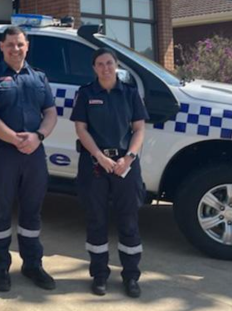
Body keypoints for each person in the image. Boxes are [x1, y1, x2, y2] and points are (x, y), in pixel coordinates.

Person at [0, 26, 58, 293]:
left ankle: (32, 265)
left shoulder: (38, 78)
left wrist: (38, 136)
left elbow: (50, 112)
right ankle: (0, 267)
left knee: (32, 212)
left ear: (27, 46)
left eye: (20, 44)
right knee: (1, 213)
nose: (16, 49)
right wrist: (14, 138)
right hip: (4, 154)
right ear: (1, 47)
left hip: (34, 154)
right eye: (10, 44)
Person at [70, 47, 148, 298]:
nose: (105, 68)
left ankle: (131, 277)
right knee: (96, 220)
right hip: (95, 164)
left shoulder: (130, 93)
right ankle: (100, 275)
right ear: (94, 68)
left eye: (109, 63)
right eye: (100, 64)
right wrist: (99, 157)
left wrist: (129, 158)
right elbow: (81, 129)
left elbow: (139, 129)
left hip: (125, 164)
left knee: (128, 221)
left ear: (116, 65)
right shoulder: (85, 94)